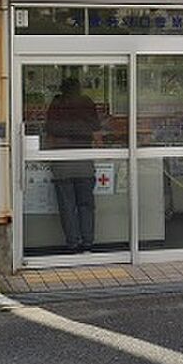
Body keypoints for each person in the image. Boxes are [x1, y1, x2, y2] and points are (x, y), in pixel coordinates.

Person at [44, 77, 101, 253]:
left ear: (62, 89)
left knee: (67, 207)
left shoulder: (57, 104)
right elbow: (96, 130)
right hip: (84, 163)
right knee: (86, 206)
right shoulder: (86, 103)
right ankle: (88, 242)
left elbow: (50, 132)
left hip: (62, 164)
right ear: (79, 88)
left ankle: (73, 244)